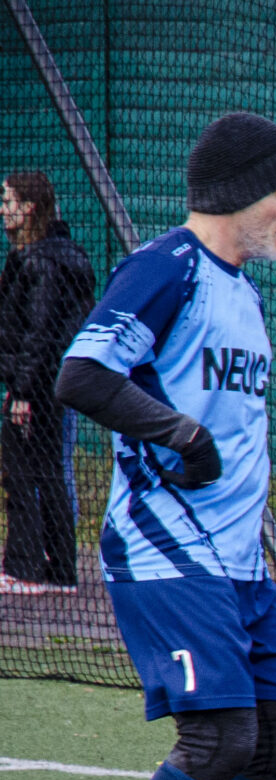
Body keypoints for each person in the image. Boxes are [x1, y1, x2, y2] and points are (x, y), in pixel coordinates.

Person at [49, 115, 276, 780]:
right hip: (167, 550)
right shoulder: (167, 267)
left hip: (236, 564)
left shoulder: (242, 290)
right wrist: (178, 432)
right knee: (218, 743)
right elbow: (82, 374)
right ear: (238, 191)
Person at [0, 170, 93, 592]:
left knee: (23, 474)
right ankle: (60, 571)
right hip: (54, 384)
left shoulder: (40, 261)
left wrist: (23, 393)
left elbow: (40, 333)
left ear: (29, 207)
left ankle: (26, 569)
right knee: (50, 472)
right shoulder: (59, 256)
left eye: (8, 201)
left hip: (38, 388)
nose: (3, 210)